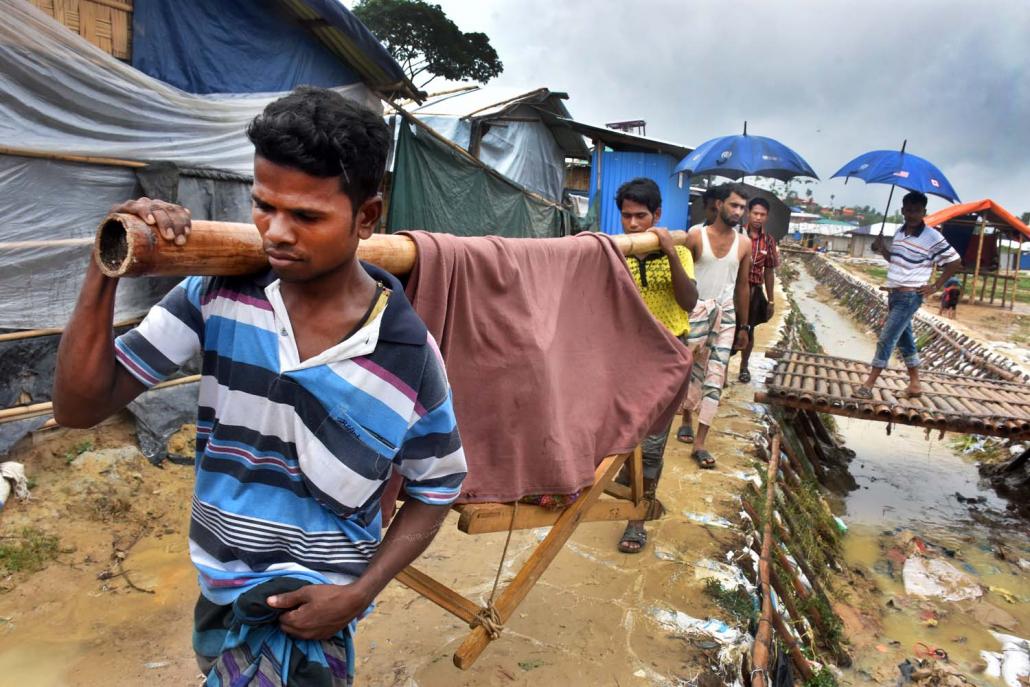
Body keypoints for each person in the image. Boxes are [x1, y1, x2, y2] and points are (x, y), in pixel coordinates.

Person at [52, 87, 467, 686]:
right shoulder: (216, 296)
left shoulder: (405, 355)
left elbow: (438, 486)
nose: (276, 233)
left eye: (307, 216)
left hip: (316, 614)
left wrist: (357, 593)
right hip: (219, 591)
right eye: (264, 206)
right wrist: (105, 263)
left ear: (367, 216)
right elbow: (77, 406)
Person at [615, 177, 698, 553]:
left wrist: (667, 250)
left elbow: (689, 301)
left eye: (641, 217)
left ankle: (637, 519)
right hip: (627, 355)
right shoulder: (617, 254)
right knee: (618, 437)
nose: (633, 225)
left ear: (658, 215)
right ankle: (619, 496)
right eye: (627, 217)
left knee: (651, 445)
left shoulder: (679, 251)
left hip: (667, 355)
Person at [854, 191, 961, 399]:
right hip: (894, 295)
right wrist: (882, 249)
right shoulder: (900, 233)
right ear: (902, 210)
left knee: (886, 339)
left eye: (917, 211)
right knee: (905, 340)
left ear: (924, 212)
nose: (912, 214)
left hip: (910, 296)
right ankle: (915, 385)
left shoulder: (932, 236)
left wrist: (936, 286)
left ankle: (868, 385)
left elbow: (954, 261)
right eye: (909, 210)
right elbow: (896, 260)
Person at [676, 184, 752, 469]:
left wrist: (744, 327)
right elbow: (683, 278)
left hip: (726, 315)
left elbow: (743, 286)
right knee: (690, 368)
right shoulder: (696, 237)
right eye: (734, 205)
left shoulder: (744, 244)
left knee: (716, 375)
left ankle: (700, 442)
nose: (738, 212)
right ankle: (685, 418)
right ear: (719, 205)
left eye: (742, 207)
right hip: (696, 311)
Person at [738, 197, 780, 383]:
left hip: (754, 291)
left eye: (762, 214)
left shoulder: (769, 241)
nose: (758, 217)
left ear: (767, 217)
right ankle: (720, 368)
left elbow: (769, 271)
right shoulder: (737, 234)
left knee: (749, 330)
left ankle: (744, 367)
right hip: (735, 290)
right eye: (755, 213)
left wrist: (771, 300)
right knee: (729, 327)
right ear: (748, 213)